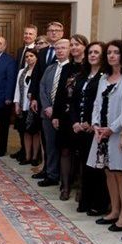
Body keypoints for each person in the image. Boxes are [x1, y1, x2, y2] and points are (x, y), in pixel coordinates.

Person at [87, 40, 122, 233]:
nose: (112, 56)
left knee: (120, 172)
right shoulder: (104, 78)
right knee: (108, 171)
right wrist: (96, 125)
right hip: (101, 133)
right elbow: (97, 103)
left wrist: (112, 128)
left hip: (117, 132)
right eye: (109, 53)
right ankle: (114, 210)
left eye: (116, 52)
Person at [72, 41, 108, 216]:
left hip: (93, 129)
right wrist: (75, 122)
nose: (92, 55)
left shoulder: (104, 76)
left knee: (96, 167)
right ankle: (85, 200)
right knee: (84, 165)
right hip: (79, 128)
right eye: (90, 52)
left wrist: (90, 123)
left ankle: (98, 202)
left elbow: (100, 103)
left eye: (96, 52)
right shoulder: (82, 75)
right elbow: (74, 101)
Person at [51, 34, 88, 200]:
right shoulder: (67, 67)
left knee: (81, 153)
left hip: (81, 116)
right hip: (65, 115)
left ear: (84, 47)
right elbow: (60, 92)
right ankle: (65, 187)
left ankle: (81, 188)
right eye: (71, 45)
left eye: (77, 44)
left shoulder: (89, 67)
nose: (74, 48)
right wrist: (56, 115)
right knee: (65, 150)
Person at [36, 38, 70, 186]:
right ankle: (51, 174)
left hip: (64, 115)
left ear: (69, 50)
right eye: (57, 48)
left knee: (64, 148)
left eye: (63, 48)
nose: (60, 51)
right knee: (50, 146)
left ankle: (65, 177)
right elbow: (42, 87)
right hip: (47, 113)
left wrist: (56, 110)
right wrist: (47, 107)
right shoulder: (50, 68)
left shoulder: (72, 69)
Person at [12, 25, 38, 160]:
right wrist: (16, 102)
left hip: (33, 102)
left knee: (33, 130)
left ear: (35, 36)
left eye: (30, 34)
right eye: (26, 33)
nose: (27, 36)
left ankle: (34, 155)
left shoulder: (38, 50)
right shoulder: (20, 50)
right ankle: (24, 151)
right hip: (22, 100)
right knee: (22, 129)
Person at [13, 48, 41, 166]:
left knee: (35, 132)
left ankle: (35, 157)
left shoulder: (40, 71)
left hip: (34, 107)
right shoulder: (22, 72)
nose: (29, 58)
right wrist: (16, 104)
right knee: (25, 131)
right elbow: (17, 89)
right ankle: (27, 156)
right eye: (27, 56)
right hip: (23, 105)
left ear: (37, 58)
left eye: (31, 56)